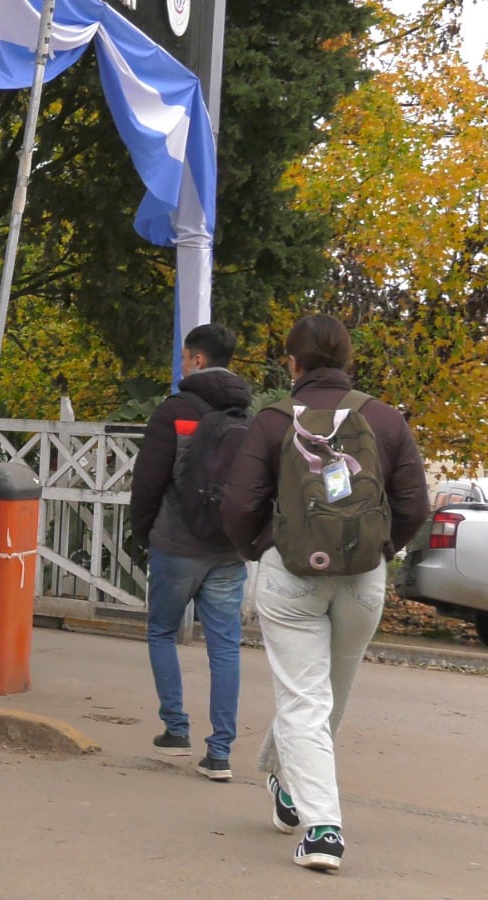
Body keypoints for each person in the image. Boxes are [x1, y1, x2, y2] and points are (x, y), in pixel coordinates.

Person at [221, 314, 428, 872]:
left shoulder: (272, 420)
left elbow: (239, 503)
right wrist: (379, 551)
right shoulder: (384, 419)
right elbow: (413, 506)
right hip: (363, 579)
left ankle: (323, 831)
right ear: (347, 360)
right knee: (327, 695)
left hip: (291, 574)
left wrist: (262, 547)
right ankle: (293, 794)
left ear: (293, 362)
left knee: (304, 697)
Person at [129, 323, 251, 781]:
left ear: (197, 359)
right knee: (225, 648)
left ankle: (176, 730)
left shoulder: (175, 411)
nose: (182, 364)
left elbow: (149, 482)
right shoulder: (245, 414)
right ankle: (219, 753)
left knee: (162, 631)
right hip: (227, 548)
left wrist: (145, 532)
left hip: (178, 544)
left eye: (184, 357)